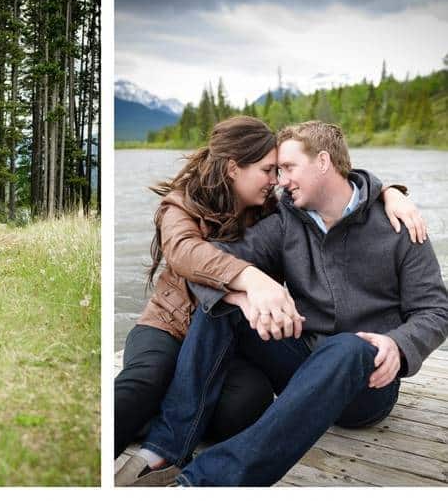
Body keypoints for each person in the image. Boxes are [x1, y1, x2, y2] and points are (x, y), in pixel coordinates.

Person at [116, 121, 448, 487]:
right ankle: (164, 449)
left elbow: (436, 310)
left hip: (367, 380)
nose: (280, 180)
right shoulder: (288, 219)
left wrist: (399, 346)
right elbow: (214, 261)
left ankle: (202, 484)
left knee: (349, 347)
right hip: (301, 361)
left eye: (287, 168)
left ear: (323, 162)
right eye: (273, 170)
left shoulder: (399, 224)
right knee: (228, 304)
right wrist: (248, 289)